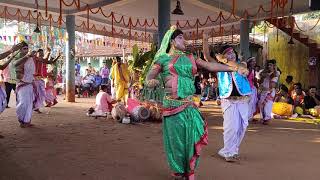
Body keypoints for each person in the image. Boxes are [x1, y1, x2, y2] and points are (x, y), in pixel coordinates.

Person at [146, 26, 244, 179]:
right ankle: (178, 172)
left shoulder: (191, 57)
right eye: (180, 38)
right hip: (172, 105)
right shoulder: (163, 59)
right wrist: (151, 81)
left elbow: (210, 65)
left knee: (191, 138)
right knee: (176, 140)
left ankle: (189, 170)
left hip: (189, 105)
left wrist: (233, 69)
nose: (184, 40)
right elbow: (149, 76)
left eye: (183, 38)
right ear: (172, 41)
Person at [207, 44, 251, 162]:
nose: (231, 54)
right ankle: (228, 152)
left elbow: (242, 69)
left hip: (243, 100)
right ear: (221, 56)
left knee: (242, 126)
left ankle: (233, 149)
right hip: (228, 101)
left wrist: (224, 59)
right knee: (231, 127)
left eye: (232, 52)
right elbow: (207, 57)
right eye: (227, 53)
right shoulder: (219, 67)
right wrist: (205, 40)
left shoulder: (241, 64)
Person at [14, 42, 37, 128]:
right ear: (20, 50)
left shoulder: (31, 59)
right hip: (22, 84)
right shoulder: (18, 58)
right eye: (24, 48)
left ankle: (27, 120)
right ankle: (21, 120)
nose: (26, 50)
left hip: (30, 84)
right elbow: (16, 67)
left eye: (27, 48)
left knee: (29, 103)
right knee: (22, 103)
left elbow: (32, 72)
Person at [0, 43, 23, 112]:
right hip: (7, 80)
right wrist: (11, 51)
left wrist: (12, 55)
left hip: (14, 81)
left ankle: (18, 103)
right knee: (7, 94)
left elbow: (2, 66)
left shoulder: (13, 63)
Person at [257, 59, 280, 125]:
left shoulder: (277, 72)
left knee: (268, 105)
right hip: (263, 91)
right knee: (261, 104)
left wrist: (266, 75)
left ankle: (267, 118)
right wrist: (262, 76)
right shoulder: (262, 72)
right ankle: (263, 118)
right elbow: (260, 81)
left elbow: (273, 78)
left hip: (270, 91)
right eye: (268, 65)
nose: (269, 66)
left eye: (271, 65)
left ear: (274, 66)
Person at [247, 57, 258, 121]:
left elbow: (253, 80)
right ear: (249, 62)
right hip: (248, 88)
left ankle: (250, 116)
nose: (254, 62)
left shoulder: (253, 70)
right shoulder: (248, 69)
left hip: (252, 88)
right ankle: (248, 117)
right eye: (253, 61)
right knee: (249, 102)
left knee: (252, 102)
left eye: (254, 61)